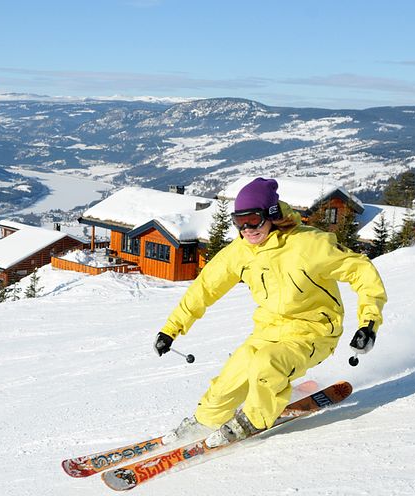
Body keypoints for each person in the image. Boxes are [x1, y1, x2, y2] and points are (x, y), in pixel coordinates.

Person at [154, 177, 387, 447]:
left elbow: (361, 271)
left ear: (272, 215)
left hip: (314, 332)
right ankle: (207, 420)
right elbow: (204, 289)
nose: (247, 229)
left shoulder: (310, 244)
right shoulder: (241, 252)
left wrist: (368, 323)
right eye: (239, 222)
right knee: (229, 379)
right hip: (267, 331)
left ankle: (254, 419)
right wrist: (170, 329)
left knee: (267, 363)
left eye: (253, 219)